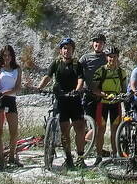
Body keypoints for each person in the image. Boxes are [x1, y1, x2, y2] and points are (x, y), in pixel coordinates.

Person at [38, 37, 87, 169]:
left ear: (73, 50)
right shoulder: (56, 63)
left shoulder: (77, 64)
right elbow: (48, 76)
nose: (67, 51)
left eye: (69, 49)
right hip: (61, 100)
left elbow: (80, 79)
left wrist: (77, 90)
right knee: (64, 130)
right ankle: (69, 158)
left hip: (74, 100)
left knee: (79, 128)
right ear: (61, 50)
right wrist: (40, 87)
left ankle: (80, 157)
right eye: (64, 48)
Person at [0, 44, 25, 168]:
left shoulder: (17, 69)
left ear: (12, 56)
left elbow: (18, 87)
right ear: (1, 56)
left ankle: (11, 157)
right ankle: (1, 160)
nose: (7, 58)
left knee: (14, 131)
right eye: (4, 55)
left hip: (10, 99)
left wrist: (8, 92)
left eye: (9, 55)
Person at [90, 47, 127, 162]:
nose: (112, 59)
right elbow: (94, 89)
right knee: (101, 130)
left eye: (114, 56)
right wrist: (104, 95)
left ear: (117, 57)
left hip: (116, 104)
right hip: (103, 104)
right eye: (110, 56)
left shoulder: (121, 72)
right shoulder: (101, 71)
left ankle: (115, 154)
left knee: (115, 130)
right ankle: (99, 156)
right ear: (106, 57)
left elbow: (124, 89)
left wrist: (122, 95)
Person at [79, 34, 109, 124]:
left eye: (101, 43)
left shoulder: (107, 58)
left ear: (104, 45)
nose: (98, 44)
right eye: (96, 42)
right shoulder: (85, 58)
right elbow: (77, 72)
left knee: (100, 124)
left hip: (103, 95)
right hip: (88, 94)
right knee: (87, 121)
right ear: (92, 43)